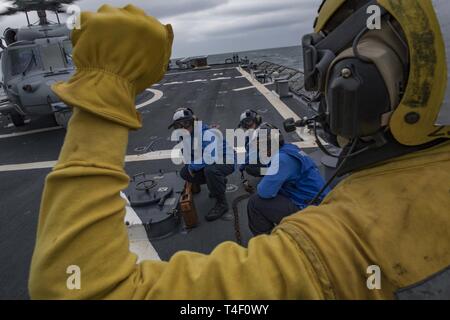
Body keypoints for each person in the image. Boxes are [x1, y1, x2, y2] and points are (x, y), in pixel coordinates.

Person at [29, 1, 450, 300]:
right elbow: (197, 159)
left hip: (267, 193)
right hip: (244, 172)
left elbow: (82, 287)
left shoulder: (343, 246)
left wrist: (107, 87)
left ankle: (266, 237)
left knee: (249, 202)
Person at [246, 123, 330, 235]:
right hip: (319, 201)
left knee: (255, 203)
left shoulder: (281, 160)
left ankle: (268, 243)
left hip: (311, 208)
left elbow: (264, 192)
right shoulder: (289, 148)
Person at [168, 107, 235, 221]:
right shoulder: (185, 136)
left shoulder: (206, 133)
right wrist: (190, 165)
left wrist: (193, 166)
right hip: (210, 161)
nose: (183, 128)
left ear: (193, 121)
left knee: (210, 170)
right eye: (179, 125)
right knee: (185, 173)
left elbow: (210, 158)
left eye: (186, 123)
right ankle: (218, 182)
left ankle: (222, 204)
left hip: (225, 160)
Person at [237, 109, 265, 177]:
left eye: (249, 122)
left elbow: (252, 155)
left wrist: (242, 166)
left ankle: (273, 173)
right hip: (278, 159)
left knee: (249, 168)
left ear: (257, 120)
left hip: (277, 164)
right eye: (245, 124)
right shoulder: (265, 126)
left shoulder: (257, 134)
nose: (247, 126)